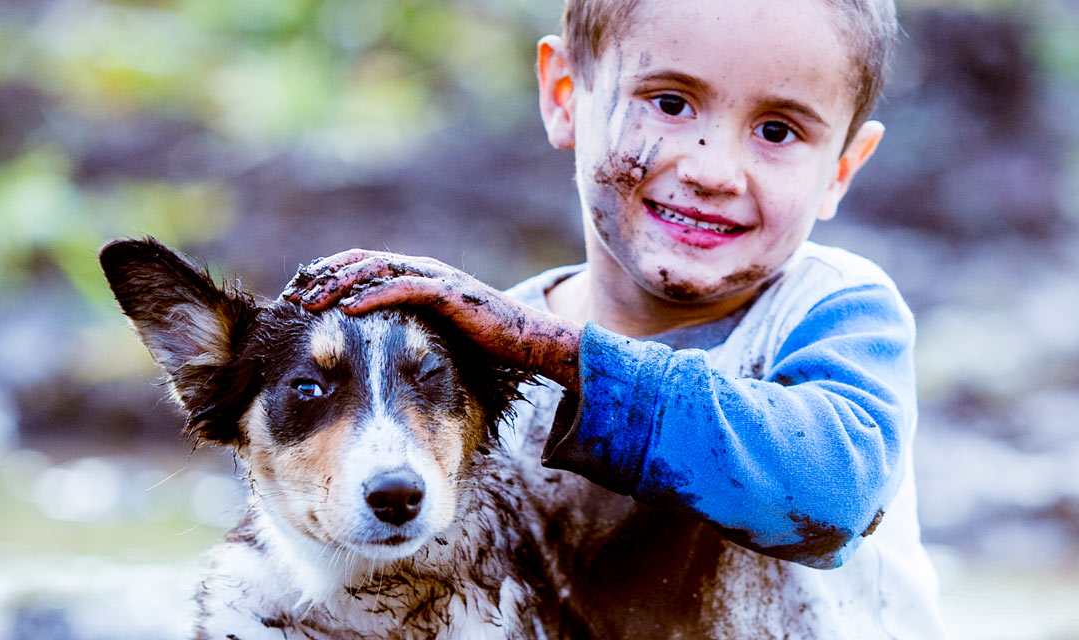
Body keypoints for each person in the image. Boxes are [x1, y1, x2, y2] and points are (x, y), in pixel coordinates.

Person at [281, 0, 944, 635]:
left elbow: (831, 497)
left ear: (841, 169)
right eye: (670, 103)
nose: (715, 170)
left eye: (778, 130)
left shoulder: (834, 306)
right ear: (564, 92)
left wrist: (547, 351)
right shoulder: (477, 366)